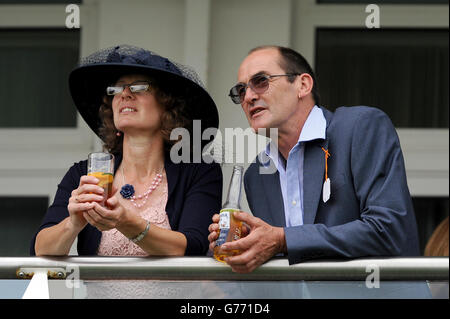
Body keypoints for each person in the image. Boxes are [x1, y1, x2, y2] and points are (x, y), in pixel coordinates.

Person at [208, 45, 420, 273]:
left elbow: (389, 230)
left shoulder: (361, 127)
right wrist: (247, 243)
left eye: (261, 81)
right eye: (241, 91)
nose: (248, 97)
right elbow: (284, 256)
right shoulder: (257, 173)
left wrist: (283, 239)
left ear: (303, 85)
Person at [31, 45, 222, 256]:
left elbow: (194, 247)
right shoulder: (83, 174)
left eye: (139, 87)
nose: (125, 94)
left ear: (168, 106)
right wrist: (74, 223)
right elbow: (40, 250)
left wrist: (128, 224)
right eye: (116, 89)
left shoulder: (199, 171)